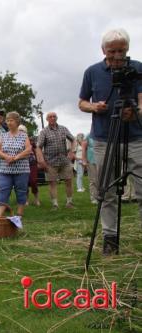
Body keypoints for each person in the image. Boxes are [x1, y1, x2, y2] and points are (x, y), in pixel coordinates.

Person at [78, 28, 142, 255]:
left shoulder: (137, 68)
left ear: (128, 49)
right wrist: (94, 107)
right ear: (103, 50)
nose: (117, 56)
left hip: (136, 137)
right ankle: (110, 237)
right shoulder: (92, 72)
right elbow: (82, 102)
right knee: (108, 189)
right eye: (112, 51)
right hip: (105, 137)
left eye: (122, 51)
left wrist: (137, 111)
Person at [35, 112, 76, 210]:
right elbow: (38, 147)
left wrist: (72, 151)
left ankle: (69, 203)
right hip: (50, 162)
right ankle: (55, 204)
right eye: (50, 117)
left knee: (69, 181)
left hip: (64, 160)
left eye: (54, 116)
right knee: (52, 183)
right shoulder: (44, 132)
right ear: (47, 119)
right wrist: (41, 160)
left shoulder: (63, 129)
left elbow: (73, 140)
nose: (53, 118)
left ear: (56, 118)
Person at [0, 112, 31, 216]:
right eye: (7, 120)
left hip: (21, 170)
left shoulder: (24, 135)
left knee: (21, 191)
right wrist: (6, 157)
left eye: (11, 120)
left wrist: (15, 158)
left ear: (17, 121)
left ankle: (19, 214)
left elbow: (28, 149)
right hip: (5, 169)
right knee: (3, 190)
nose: (9, 122)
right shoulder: (3, 135)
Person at [18, 125, 40, 206]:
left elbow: (37, 150)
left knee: (33, 181)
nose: (21, 132)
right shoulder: (16, 141)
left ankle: (36, 199)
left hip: (32, 163)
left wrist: (39, 160)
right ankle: (26, 200)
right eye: (19, 130)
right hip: (21, 164)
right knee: (25, 183)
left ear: (25, 132)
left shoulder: (30, 140)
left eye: (22, 131)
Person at [82, 132, 98, 204]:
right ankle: (94, 198)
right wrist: (84, 160)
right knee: (93, 180)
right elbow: (83, 148)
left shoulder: (103, 134)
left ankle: (102, 196)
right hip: (91, 160)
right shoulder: (88, 135)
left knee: (102, 180)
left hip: (101, 160)